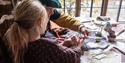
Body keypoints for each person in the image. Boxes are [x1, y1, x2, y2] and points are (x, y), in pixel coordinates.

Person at [3, 0, 83, 63]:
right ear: (40, 22)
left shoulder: (10, 40)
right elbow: (72, 57)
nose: (51, 14)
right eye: (47, 16)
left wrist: (62, 45)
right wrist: (76, 45)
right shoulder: (46, 47)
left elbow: (50, 53)